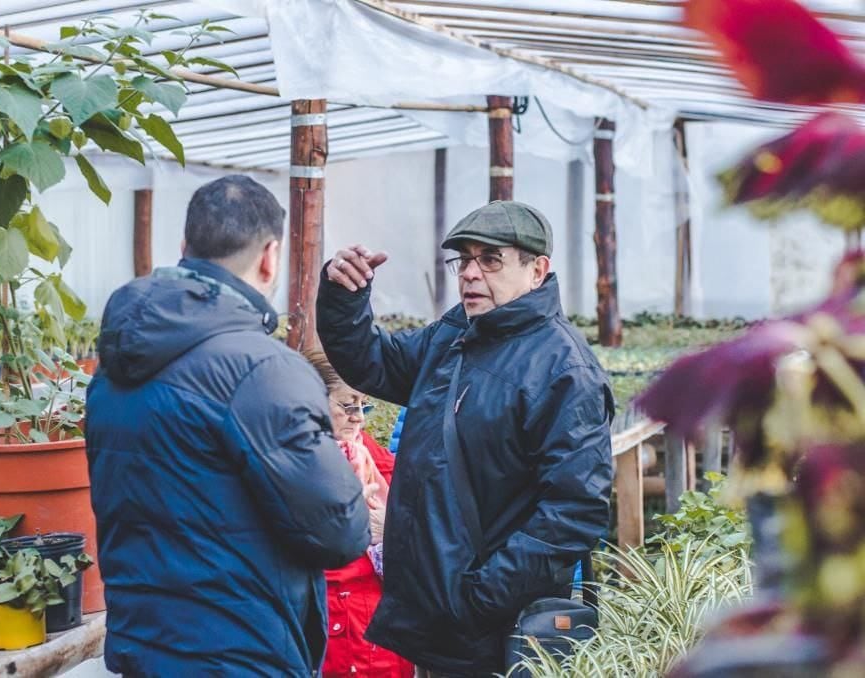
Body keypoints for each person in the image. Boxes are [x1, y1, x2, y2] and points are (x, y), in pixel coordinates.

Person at [86, 175, 371, 677]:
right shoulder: (264, 371)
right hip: (237, 653)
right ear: (270, 256)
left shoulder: (112, 369)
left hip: (142, 644)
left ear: (184, 248)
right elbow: (339, 533)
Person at [316, 200, 614, 676]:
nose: (471, 274)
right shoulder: (459, 332)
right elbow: (375, 362)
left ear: (537, 271)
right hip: (441, 621)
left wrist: (476, 596)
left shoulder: (563, 370)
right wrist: (343, 297)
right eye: (464, 260)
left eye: (491, 259)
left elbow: (575, 511)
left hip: (494, 630)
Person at [303, 349, 415, 678]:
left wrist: (390, 533)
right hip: (333, 637)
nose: (359, 418)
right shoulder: (293, 469)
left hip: (381, 638)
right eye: (348, 405)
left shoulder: (384, 467)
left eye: (364, 406)